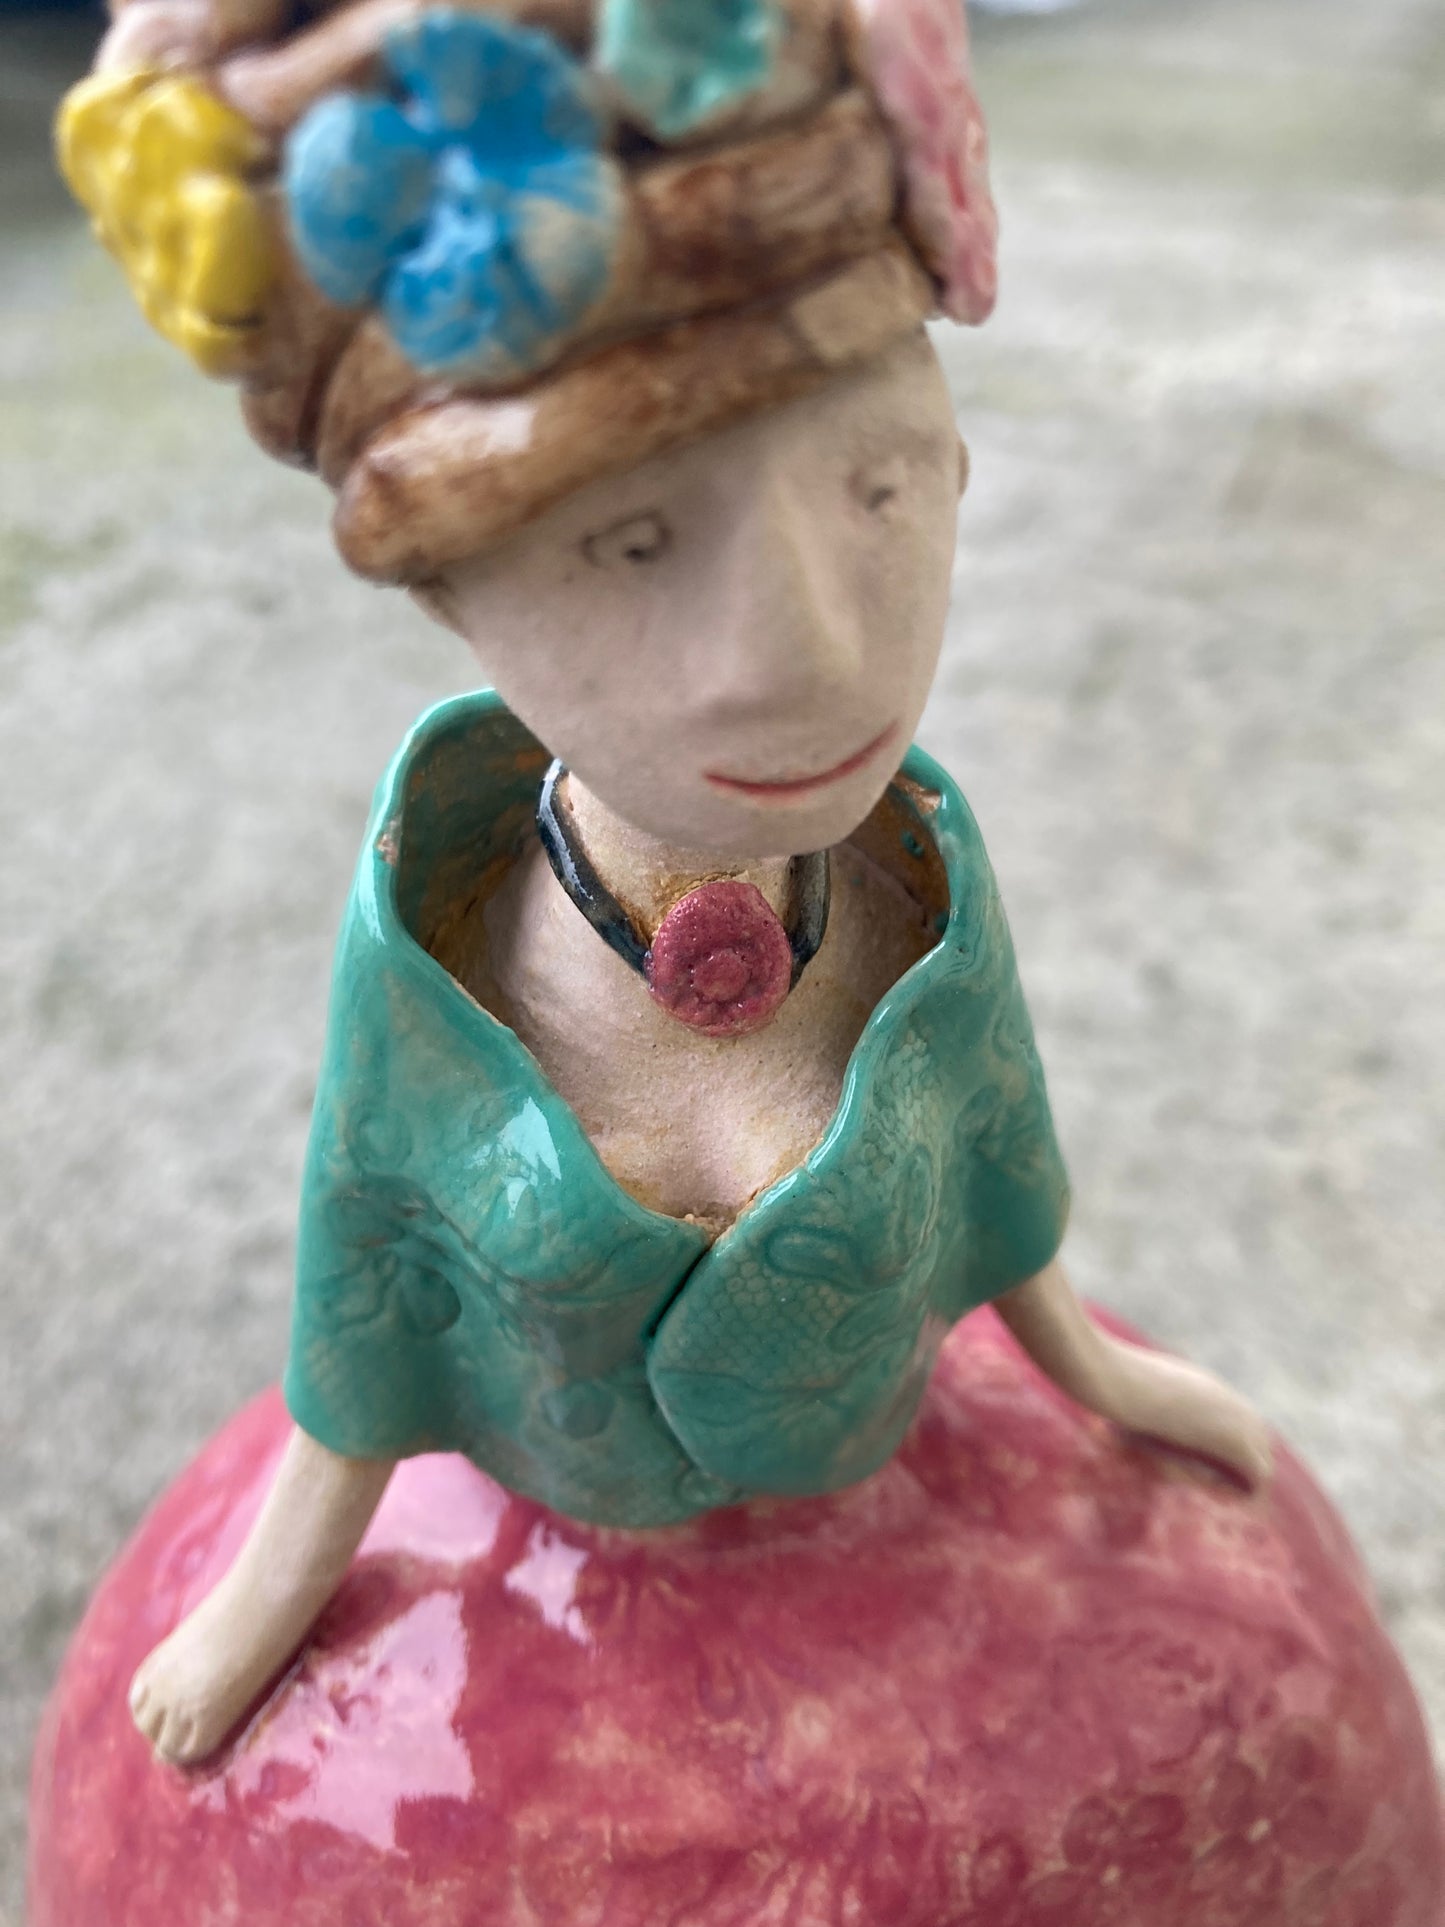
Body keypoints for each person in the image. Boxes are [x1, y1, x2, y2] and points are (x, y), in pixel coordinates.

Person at [58, 0, 1269, 1768]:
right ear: (448, 592)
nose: (806, 656)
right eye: (632, 542)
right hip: (540, 1632)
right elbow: (373, 1257)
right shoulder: (434, 965)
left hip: (898, 1588)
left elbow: (990, 1137)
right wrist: (280, 1576)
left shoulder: (917, 892)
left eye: (877, 488)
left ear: (956, 466)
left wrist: (1092, 1371)